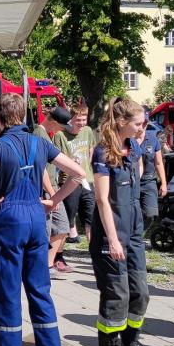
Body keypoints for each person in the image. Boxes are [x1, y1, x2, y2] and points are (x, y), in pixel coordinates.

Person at [0, 92, 85, 346]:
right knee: (40, 291)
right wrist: (55, 201)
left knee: (8, 292)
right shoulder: (40, 143)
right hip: (37, 219)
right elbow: (78, 173)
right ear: (23, 115)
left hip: (9, 220)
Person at [90, 97, 155, 346]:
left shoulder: (135, 147)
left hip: (134, 230)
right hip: (111, 233)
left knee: (140, 292)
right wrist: (114, 239)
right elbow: (103, 200)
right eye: (138, 124)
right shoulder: (103, 153)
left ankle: (130, 340)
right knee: (117, 294)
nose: (143, 128)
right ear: (121, 123)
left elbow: (137, 181)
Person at [33, 107, 72, 278]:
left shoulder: (46, 135)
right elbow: (40, 169)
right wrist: (52, 195)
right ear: (54, 122)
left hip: (53, 188)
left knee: (62, 226)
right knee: (46, 230)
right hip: (45, 190)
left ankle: (48, 265)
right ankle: (40, 267)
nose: (63, 130)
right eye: (62, 126)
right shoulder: (38, 135)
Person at [53, 103, 96, 251]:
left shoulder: (88, 131)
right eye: (78, 120)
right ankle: (59, 252)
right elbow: (55, 161)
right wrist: (71, 165)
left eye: (84, 119)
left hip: (87, 180)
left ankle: (93, 250)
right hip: (69, 181)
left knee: (90, 216)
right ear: (70, 119)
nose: (82, 123)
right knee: (69, 216)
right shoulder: (60, 136)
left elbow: (90, 151)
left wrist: (85, 168)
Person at [137, 109, 167, 233]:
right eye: (140, 123)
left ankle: (138, 235)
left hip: (149, 181)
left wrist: (164, 183)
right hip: (132, 181)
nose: (143, 126)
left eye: (145, 123)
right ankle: (132, 238)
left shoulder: (153, 139)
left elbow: (159, 163)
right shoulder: (128, 139)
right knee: (132, 213)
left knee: (150, 214)